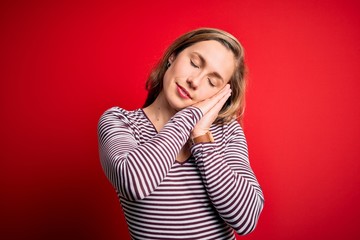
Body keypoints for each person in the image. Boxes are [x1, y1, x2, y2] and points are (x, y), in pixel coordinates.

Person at [98, 28, 264, 240]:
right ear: (173, 56)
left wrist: (201, 136)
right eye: (194, 63)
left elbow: (247, 219)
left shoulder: (227, 131)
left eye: (212, 82)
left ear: (220, 95)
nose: (194, 81)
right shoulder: (121, 122)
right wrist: (192, 116)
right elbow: (134, 183)